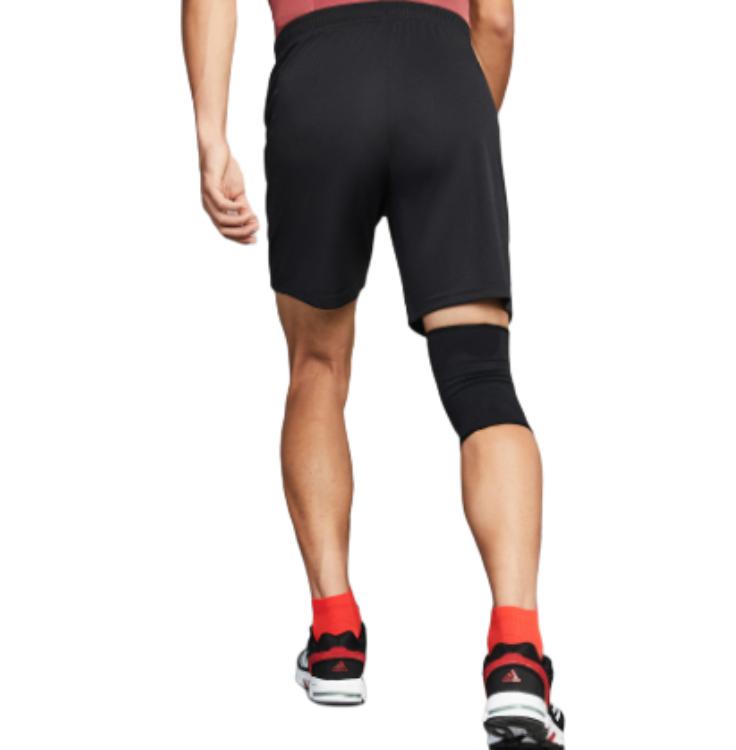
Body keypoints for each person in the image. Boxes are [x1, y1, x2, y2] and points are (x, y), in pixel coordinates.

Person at [182, 0, 565, 745]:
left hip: (320, 82)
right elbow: (495, 21)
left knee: (316, 366)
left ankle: (334, 637)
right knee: (481, 379)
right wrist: (455, 124)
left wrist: (210, 136)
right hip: (443, 73)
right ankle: (518, 657)